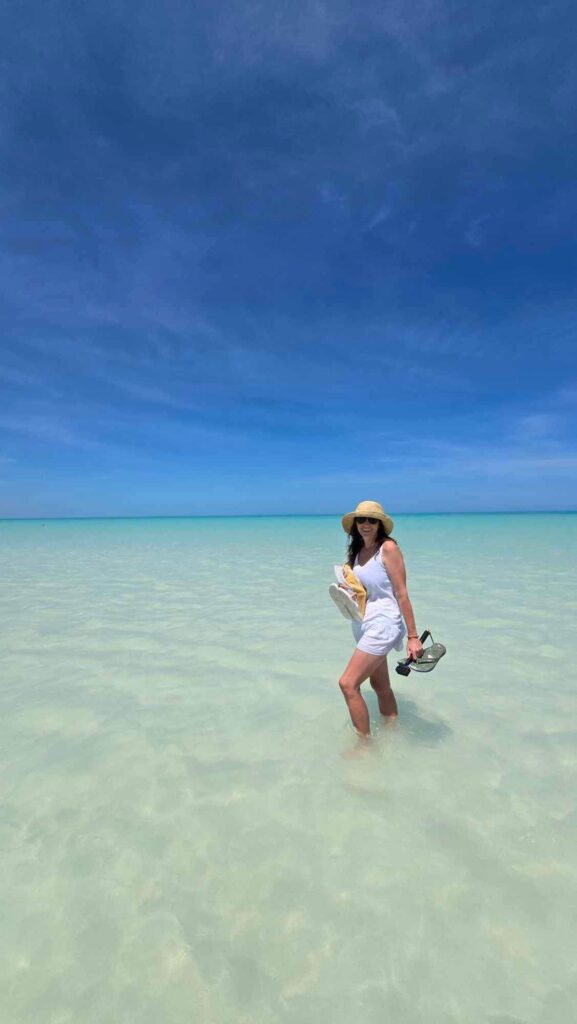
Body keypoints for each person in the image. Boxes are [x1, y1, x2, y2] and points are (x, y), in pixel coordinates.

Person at [337, 500, 424, 738]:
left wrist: (413, 636)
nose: (366, 524)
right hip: (362, 622)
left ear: (379, 524)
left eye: (372, 520)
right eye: (362, 519)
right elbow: (364, 591)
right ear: (355, 523)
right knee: (380, 686)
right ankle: (392, 730)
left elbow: (401, 592)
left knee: (347, 684)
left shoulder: (388, 548)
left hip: (384, 623)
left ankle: (364, 746)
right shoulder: (356, 553)